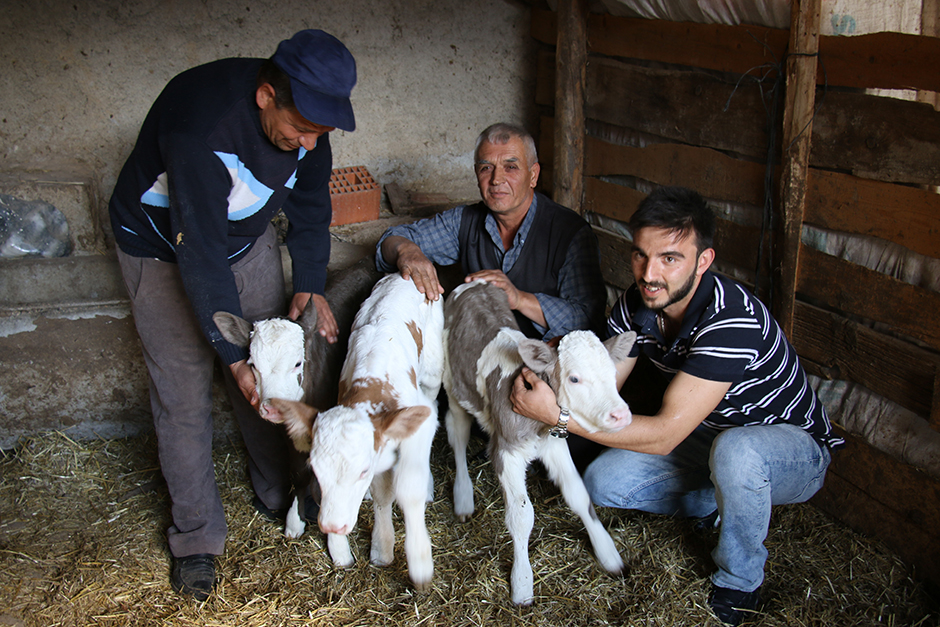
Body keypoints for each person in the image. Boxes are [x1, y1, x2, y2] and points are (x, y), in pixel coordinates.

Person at [509, 186, 844, 625]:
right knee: (603, 481)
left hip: (790, 449)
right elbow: (607, 390)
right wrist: (552, 378)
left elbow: (666, 432)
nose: (650, 273)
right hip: (704, 436)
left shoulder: (731, 319)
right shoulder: (638, 303)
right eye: (640, 255)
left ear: (703, 261)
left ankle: (740, 582)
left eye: (670, 258)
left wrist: (557, 418)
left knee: (738, 454)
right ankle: (715, 500)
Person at [108, 29, 357, 600]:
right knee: (184, 389)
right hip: (161, 246)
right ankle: (196, 538)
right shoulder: (203, 126)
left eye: (319, 134)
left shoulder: (308, 131)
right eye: (299, 130)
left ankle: (279, 489)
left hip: (244, 242)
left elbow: (313, 210)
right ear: (266, 95)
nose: (308, 146)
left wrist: (311, 287)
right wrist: (232, 353)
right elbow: (198, 248)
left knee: (271, 377)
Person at [375, 123, 606, 341]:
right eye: (487, 168)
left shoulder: (570, 233)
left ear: (533, 175)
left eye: (511, 167)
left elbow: (588, 319)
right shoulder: (464, 221)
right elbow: (391, 240)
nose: (496, 179)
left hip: (543, 363)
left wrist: (519, 299)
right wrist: (407, 250)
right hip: (481, 355)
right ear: (477, 175)